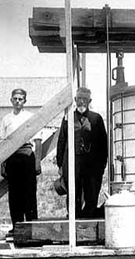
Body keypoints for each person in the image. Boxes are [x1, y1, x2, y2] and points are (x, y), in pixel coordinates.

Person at [56, 87, 108, 218]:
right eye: (79, 99)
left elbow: (103, 143)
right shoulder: (68, 118)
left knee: (91, 192)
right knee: (74, 192)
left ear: (89, 101)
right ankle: (74, 217)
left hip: (92, 164)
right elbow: (62, 141)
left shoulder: (96, 118)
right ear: (75, 100)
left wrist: (102, 164)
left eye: (85, 100)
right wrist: (60, 165)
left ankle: (89, 219)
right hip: (74, 162)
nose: (82, 102)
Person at [0, 89, 41, 231]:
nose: (18, 101)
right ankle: (17, 226)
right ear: (11, 100)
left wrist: (37, 162)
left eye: (21, 99)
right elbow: (2, 143)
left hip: (27, 156)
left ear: (25, 101)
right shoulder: (6, 119)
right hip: (12, 158)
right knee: (14, 194)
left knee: (29, 192)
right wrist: (3, 164)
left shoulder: (30, 117)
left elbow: (38, 140)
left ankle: (32, 226)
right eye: (15, 98)